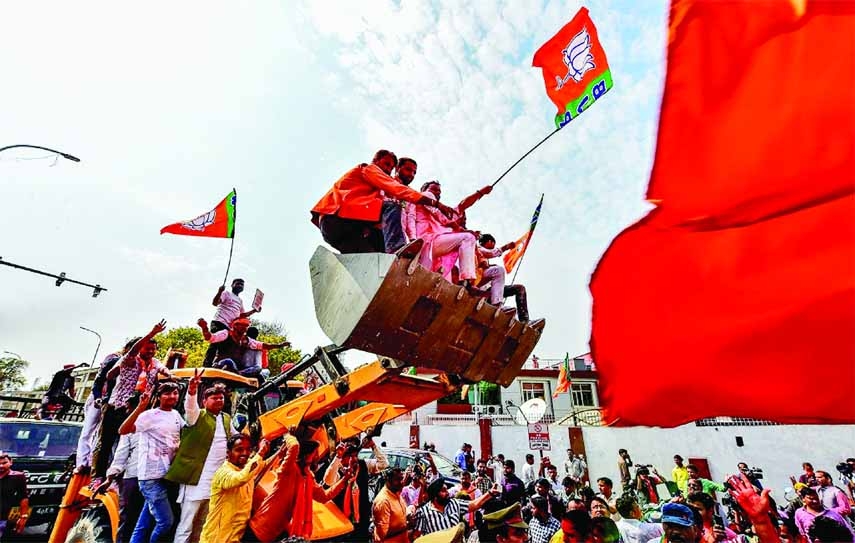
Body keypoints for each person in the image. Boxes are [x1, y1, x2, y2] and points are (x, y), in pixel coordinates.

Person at [311, 149, 454, 254]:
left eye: (390, 168)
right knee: (392, 207)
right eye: (386, 164)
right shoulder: (368, 169)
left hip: (341, 234)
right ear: (375, 161)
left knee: (375, 258)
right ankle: (396, 249)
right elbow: (397, 189)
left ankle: (390, 260)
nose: (387, 170)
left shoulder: (376, 192)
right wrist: (436, 204)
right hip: (336, 218)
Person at [91, 320, 171, 482]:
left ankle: (118, 475)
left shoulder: (154, 363)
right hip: (117, 407)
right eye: (147, 348)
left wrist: (168, 374)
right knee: (105, 442)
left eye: (153, 349)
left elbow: (164, 369)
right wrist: (152, 333)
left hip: (136, 412)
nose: (150, 351)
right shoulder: (130, 360)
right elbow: (131, 353)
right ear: (140, 348)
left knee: (127, 444)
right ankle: (97, 477)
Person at [164, 374, 231, 543]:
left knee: (204, 525)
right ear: (204, 402)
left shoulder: (226, 419)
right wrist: (192, 390)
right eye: (214, 398)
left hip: (216, 483)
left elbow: (236, 439)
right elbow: (190, 407)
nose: (218, 400)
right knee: (186, 524)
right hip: (195, 481)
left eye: (221, 398)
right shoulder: (197, 416)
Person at [119, 381, 185, 543]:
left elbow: (189, 430)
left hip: (167, 475)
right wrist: (141, 406)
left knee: (144, 523)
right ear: (159, 396)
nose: (172, 396)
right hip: (151, 477)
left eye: (175, 393)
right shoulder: (149, 416)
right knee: (165, 522)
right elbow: (123, 430)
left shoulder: (176, 415)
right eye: (167, 393)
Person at [249, 439, 351, 541]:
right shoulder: (288, 468)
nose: (317, 457)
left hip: (274, 533)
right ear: (306, 455)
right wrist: (289, 435)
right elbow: (294, 447)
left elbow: (324, 497)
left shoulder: (308, 477)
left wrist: (344, 479)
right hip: (259, 527)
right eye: (315, 453)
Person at [405, 180, 490, 286]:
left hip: (432, 250)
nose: (437, 193)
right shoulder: (425, 196)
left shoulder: (442, 210)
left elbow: (461, 207)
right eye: (434, 189)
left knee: (437, 285)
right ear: (424, 190)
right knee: (468, 238)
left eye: (439, 192)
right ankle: (467, 282)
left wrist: (480, 193)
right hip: (427, 242)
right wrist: (461, 229)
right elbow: (442, 217)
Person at [199, 434, 269, 543]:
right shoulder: (223, 473)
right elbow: (240, 478)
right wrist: (260, 453)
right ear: (228, 453)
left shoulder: (246, 468)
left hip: (236, 537)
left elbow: (263, 465)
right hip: (216, 538)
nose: (245, 453)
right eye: (239, 450)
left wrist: (284, 448)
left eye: (247, 450)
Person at [324, 437, 390, 540]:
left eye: (355, 455)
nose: (354, 459)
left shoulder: (363, 464)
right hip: (341, 521)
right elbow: (328, 480)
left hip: (361, 520)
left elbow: (384, 464)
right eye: (350, 456)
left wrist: (373, 446)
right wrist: (338, 457)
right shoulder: (337, 468)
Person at [101, 393, 143, 543]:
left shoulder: (167, 421)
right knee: (128, 519)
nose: (126, 411)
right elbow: (121, 455)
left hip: (153, 477)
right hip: (133, 477)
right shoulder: (131, 427)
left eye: (128, 408)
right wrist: (110, 477)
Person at [76, 348, 123, 472]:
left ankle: (93, 462)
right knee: (89, 431)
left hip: (111, 401)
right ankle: (82, 463)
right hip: (99, 399)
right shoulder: (114, 359)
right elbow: (99, 381)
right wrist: (97, 397)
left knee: (102, 433)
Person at [412, 476, 500, 537]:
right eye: (443, 491)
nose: (447, 493)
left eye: (447, 490)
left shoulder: (454, 503)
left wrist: (490, 493)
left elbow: (474, 504)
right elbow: (417, 536)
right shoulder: (423, 513)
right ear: (435, 496)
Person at [198, 317, 289, 374]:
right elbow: (210, 338)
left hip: (236, 369)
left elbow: (263, 345)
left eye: (246, 326)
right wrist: (204, 328)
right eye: (241, 325)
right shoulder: (226, 334)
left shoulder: (246, 340)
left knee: (258, 369)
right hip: (220, 365)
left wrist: (280, 345)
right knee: (228, 362)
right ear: (235, 326)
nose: (244, 327)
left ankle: (239, 374)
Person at [203, 278, 259, 365]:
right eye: (238, 283)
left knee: (227, 347)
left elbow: (242, 315)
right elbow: (215, 303)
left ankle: (218, 365)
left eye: (242, 284)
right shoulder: (226, 293)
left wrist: (254, 311)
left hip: (229, 327)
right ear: (232, 285)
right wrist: (219, 292)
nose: (240, 285)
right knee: (215, 343)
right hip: (219, 322)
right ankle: (206, 365)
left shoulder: (240, 301)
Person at [476, 234, 530, 321]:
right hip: (481, 289)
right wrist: (506, 247)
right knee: (498, 270)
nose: (493, 247)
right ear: (490, 242)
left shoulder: (484, 258)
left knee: (520, 288)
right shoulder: (477, 249)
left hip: (490, 290)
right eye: (493, 244)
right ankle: (496, 305)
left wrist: (489, 266)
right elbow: (492, 253)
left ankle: (525, 320)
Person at [381, 157, 419, 252]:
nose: (411, 175)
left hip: (399, 238)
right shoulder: (386, 181)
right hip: (380, 229)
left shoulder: (411, 194)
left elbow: (411, 217)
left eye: (414, 172)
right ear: (397, 168)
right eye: (408, 170)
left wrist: (413, 239)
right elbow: (379, 200)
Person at [373, 467, 410, 543]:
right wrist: (406, 527)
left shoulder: (396, 492)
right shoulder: (383, 501)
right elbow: (383, 535)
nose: (401, 482)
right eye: (397, 480)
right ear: (387, 480)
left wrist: (408, 516)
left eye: (401, 479)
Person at [0, 453, 29, 539]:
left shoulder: (18, 477)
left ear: (11, 462)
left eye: (4, 463)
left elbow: (23, 497)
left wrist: (23, 516)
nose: (1, 466)